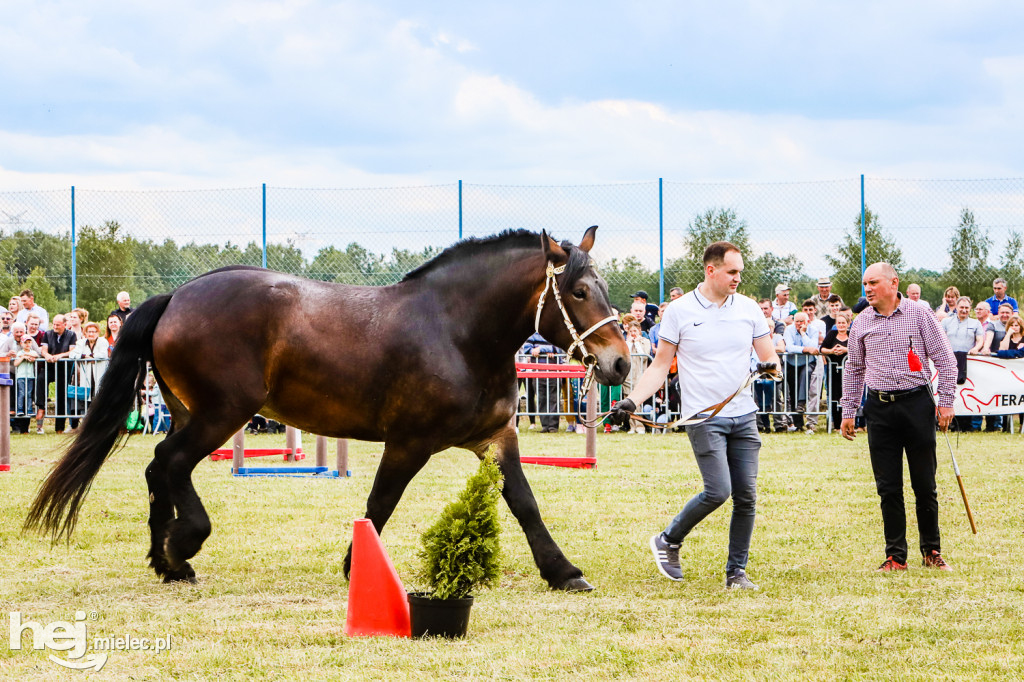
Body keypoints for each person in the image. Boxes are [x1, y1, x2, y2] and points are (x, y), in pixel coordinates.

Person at [609, 241, 781, 590]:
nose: (737, 278)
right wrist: (634, 401)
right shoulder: (679, 310)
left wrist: (770, 367)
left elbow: (770, 358)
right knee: (718, 491)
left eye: (740, 273)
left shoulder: (748, 309)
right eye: (732, 272)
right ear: (711, 270)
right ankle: (668, 540)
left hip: (743, 415)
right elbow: (659, 366)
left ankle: (737, 573)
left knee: (746, 495)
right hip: (704, 418)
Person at [840, 262, 956, 573]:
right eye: (865, 284)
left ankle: (931, 550)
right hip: (879, 409)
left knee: (924, 483)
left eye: (874, 282)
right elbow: (853, 369)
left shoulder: (920, 314)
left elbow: (946, 360)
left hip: (917, 403)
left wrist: (946, 402)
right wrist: (849, 410)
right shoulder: (861, 322)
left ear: (894, 283)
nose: (868, 289)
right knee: (888, 486)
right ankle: (895, 556)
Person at [39, 313, 78, 434]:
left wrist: (59, 356)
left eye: (58, 324)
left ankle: (59, 427)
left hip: (64, 367)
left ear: (65, 325)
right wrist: (47, 355)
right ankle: (41, 406)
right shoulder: (47, 334)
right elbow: (43, 349)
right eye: (54, 324)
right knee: (41, 379)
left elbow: (72, 351)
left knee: (61, 394)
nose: (55, 326)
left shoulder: (72, 335)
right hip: (50, 366)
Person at [783, 311, 819, 432]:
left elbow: (813, 347)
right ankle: (798, 424)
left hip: (808, 362)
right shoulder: (788, 329)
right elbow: (789, 347)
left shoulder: (813, 330)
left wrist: (803, 334)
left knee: (806, 373)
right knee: (793, 391)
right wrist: (804, 349)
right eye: (797, 321)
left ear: (807, 322)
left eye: (801, 322)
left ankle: (802, 402)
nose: (799, 324)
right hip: (792, 362)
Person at [69, 321, 109, 420]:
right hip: (86, 376)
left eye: (94, 331)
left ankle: (100, 421)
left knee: (100, 398)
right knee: (86, 399)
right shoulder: (80, 343)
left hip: (99, 374)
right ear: (85, 333)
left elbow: (103, 354)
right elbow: (72, 354)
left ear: (98, 332)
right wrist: (83, 356)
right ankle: (85, 422)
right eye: (89, 331)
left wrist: (90, 357)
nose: (91, 334)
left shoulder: (103, 341)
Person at [521, 332, 560, 433]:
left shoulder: (554, 331)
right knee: (541, 399)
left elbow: (560, 348)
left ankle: (553, 426)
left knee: (553, 399)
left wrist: (541, 350)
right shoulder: (533, 334)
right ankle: (545, 425)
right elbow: (526, 349)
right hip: (538, 372)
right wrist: (548, 350)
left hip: (553, 370)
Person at [622, 314, 653, 434]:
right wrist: (630, 343)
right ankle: (632, 426)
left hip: (640, 375)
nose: (633, 333)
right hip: (629, 375)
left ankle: (640, 425)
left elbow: (644, 356)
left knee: (638, 402)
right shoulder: (626, 342)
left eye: (635, 330)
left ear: (639, 330)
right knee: (628, 400)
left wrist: (637, 343)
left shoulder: (645, 341)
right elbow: (626, 356)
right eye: (631, 331)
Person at [819, 311, 851, 429]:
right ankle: (837, 425)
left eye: (843, 323)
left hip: (849, 371)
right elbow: (822, 349)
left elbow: (858, 349)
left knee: (847, 396)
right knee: (834, 396)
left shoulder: (852, 334)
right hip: (833, 371)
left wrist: (845, 349)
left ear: (848, 324)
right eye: (839, 323)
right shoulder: (832, 334)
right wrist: (832, 351)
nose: (841, 325)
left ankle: (849, 422)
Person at [13, 334, 39, 435]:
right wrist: (23, 357)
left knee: (29, 394)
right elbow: (15, 363)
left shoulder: (33, 352)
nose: (27, 344)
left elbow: (37, 355)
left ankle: (29, 409)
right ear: (21, 344)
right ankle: (20, 409)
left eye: (29, 342)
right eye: (25, 343)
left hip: (30, 377)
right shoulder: (20, 352)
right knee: (21, 393)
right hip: (21, 376)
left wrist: (29, 357)